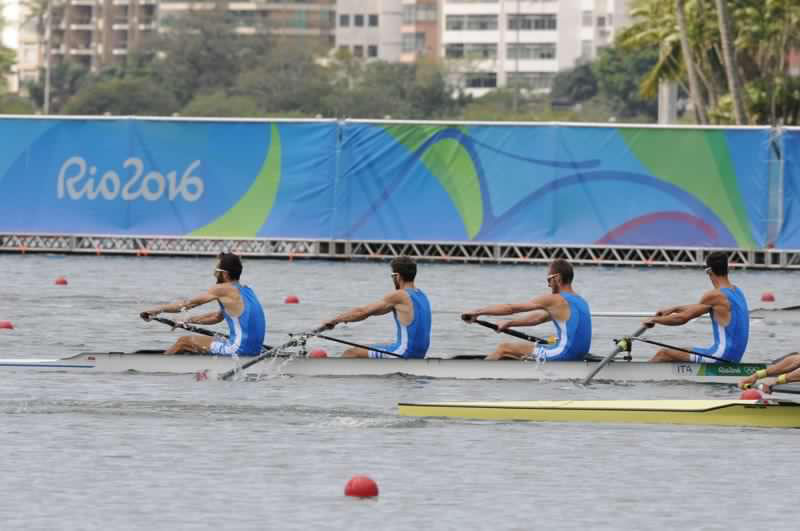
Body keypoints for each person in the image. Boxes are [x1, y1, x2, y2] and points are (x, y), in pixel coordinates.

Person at [461, 259, 591, 361]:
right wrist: (510, 323)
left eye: (549, 279)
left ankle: (478, 373)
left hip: (563, 353)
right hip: (579, 354)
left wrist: (477, 312)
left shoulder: (556, 299)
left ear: (557, 278)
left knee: (504, 347)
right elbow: (538, 318)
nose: (548, 284)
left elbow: (510, 308)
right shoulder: (580, 301)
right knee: (519, 352)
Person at [140, 253, 266, 356]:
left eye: (216, 270)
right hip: (255, 350)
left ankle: (160, 368)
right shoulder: (247, 290)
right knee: (193, 345)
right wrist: (187, 320)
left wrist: (159, 309)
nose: (214, 273)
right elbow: (216, 317)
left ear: (225, 274)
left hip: (238, 349)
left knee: (183, 342)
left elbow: (185, 305)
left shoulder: (222, 289)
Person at [646, 251, 749, 363]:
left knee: (663, 354)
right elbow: (698, 308)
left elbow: (682, 318)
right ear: (727, 269)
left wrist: (654, 319)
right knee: (681, 352)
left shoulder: (714, 295)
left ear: (709, 271)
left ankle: (640, 376)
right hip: (735, 356)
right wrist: (674, 309)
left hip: (720, 356)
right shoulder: (737, 291)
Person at [321, 256, 432, 358]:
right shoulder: (422, 295)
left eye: (392, 275)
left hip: (404, 353)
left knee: (351, 353)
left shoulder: (399, 295)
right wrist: (344, 319)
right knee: (379, 345)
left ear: (397, 276)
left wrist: (334, 321)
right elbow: (369, 313)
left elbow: (362, 312)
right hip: (419, 353)